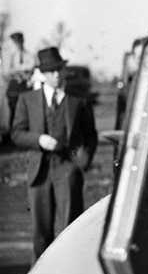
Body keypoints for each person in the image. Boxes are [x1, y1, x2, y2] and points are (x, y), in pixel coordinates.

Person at [11, 47, 97, 261]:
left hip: (67, 169)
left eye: (59, 69)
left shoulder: (78, 100)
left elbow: (90, 135)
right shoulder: (28, 100)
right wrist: (38, 139)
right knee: (41, 234)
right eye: (51, 71)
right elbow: (17, 133)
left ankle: (72, 272)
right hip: (39, 172)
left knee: (71, 229)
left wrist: (81, 162)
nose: (56, 75)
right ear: (42, 74)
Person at [1, 32, 37, 120]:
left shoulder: (29, 54)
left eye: (19, 41)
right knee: (13, 113)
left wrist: (16, 69)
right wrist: (22, 69)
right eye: (16, 42)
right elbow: (6, 72)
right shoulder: (9, 56)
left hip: (26, 86)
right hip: (14, 87)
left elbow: (32, 67)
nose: (18, 44)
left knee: (26, 113)